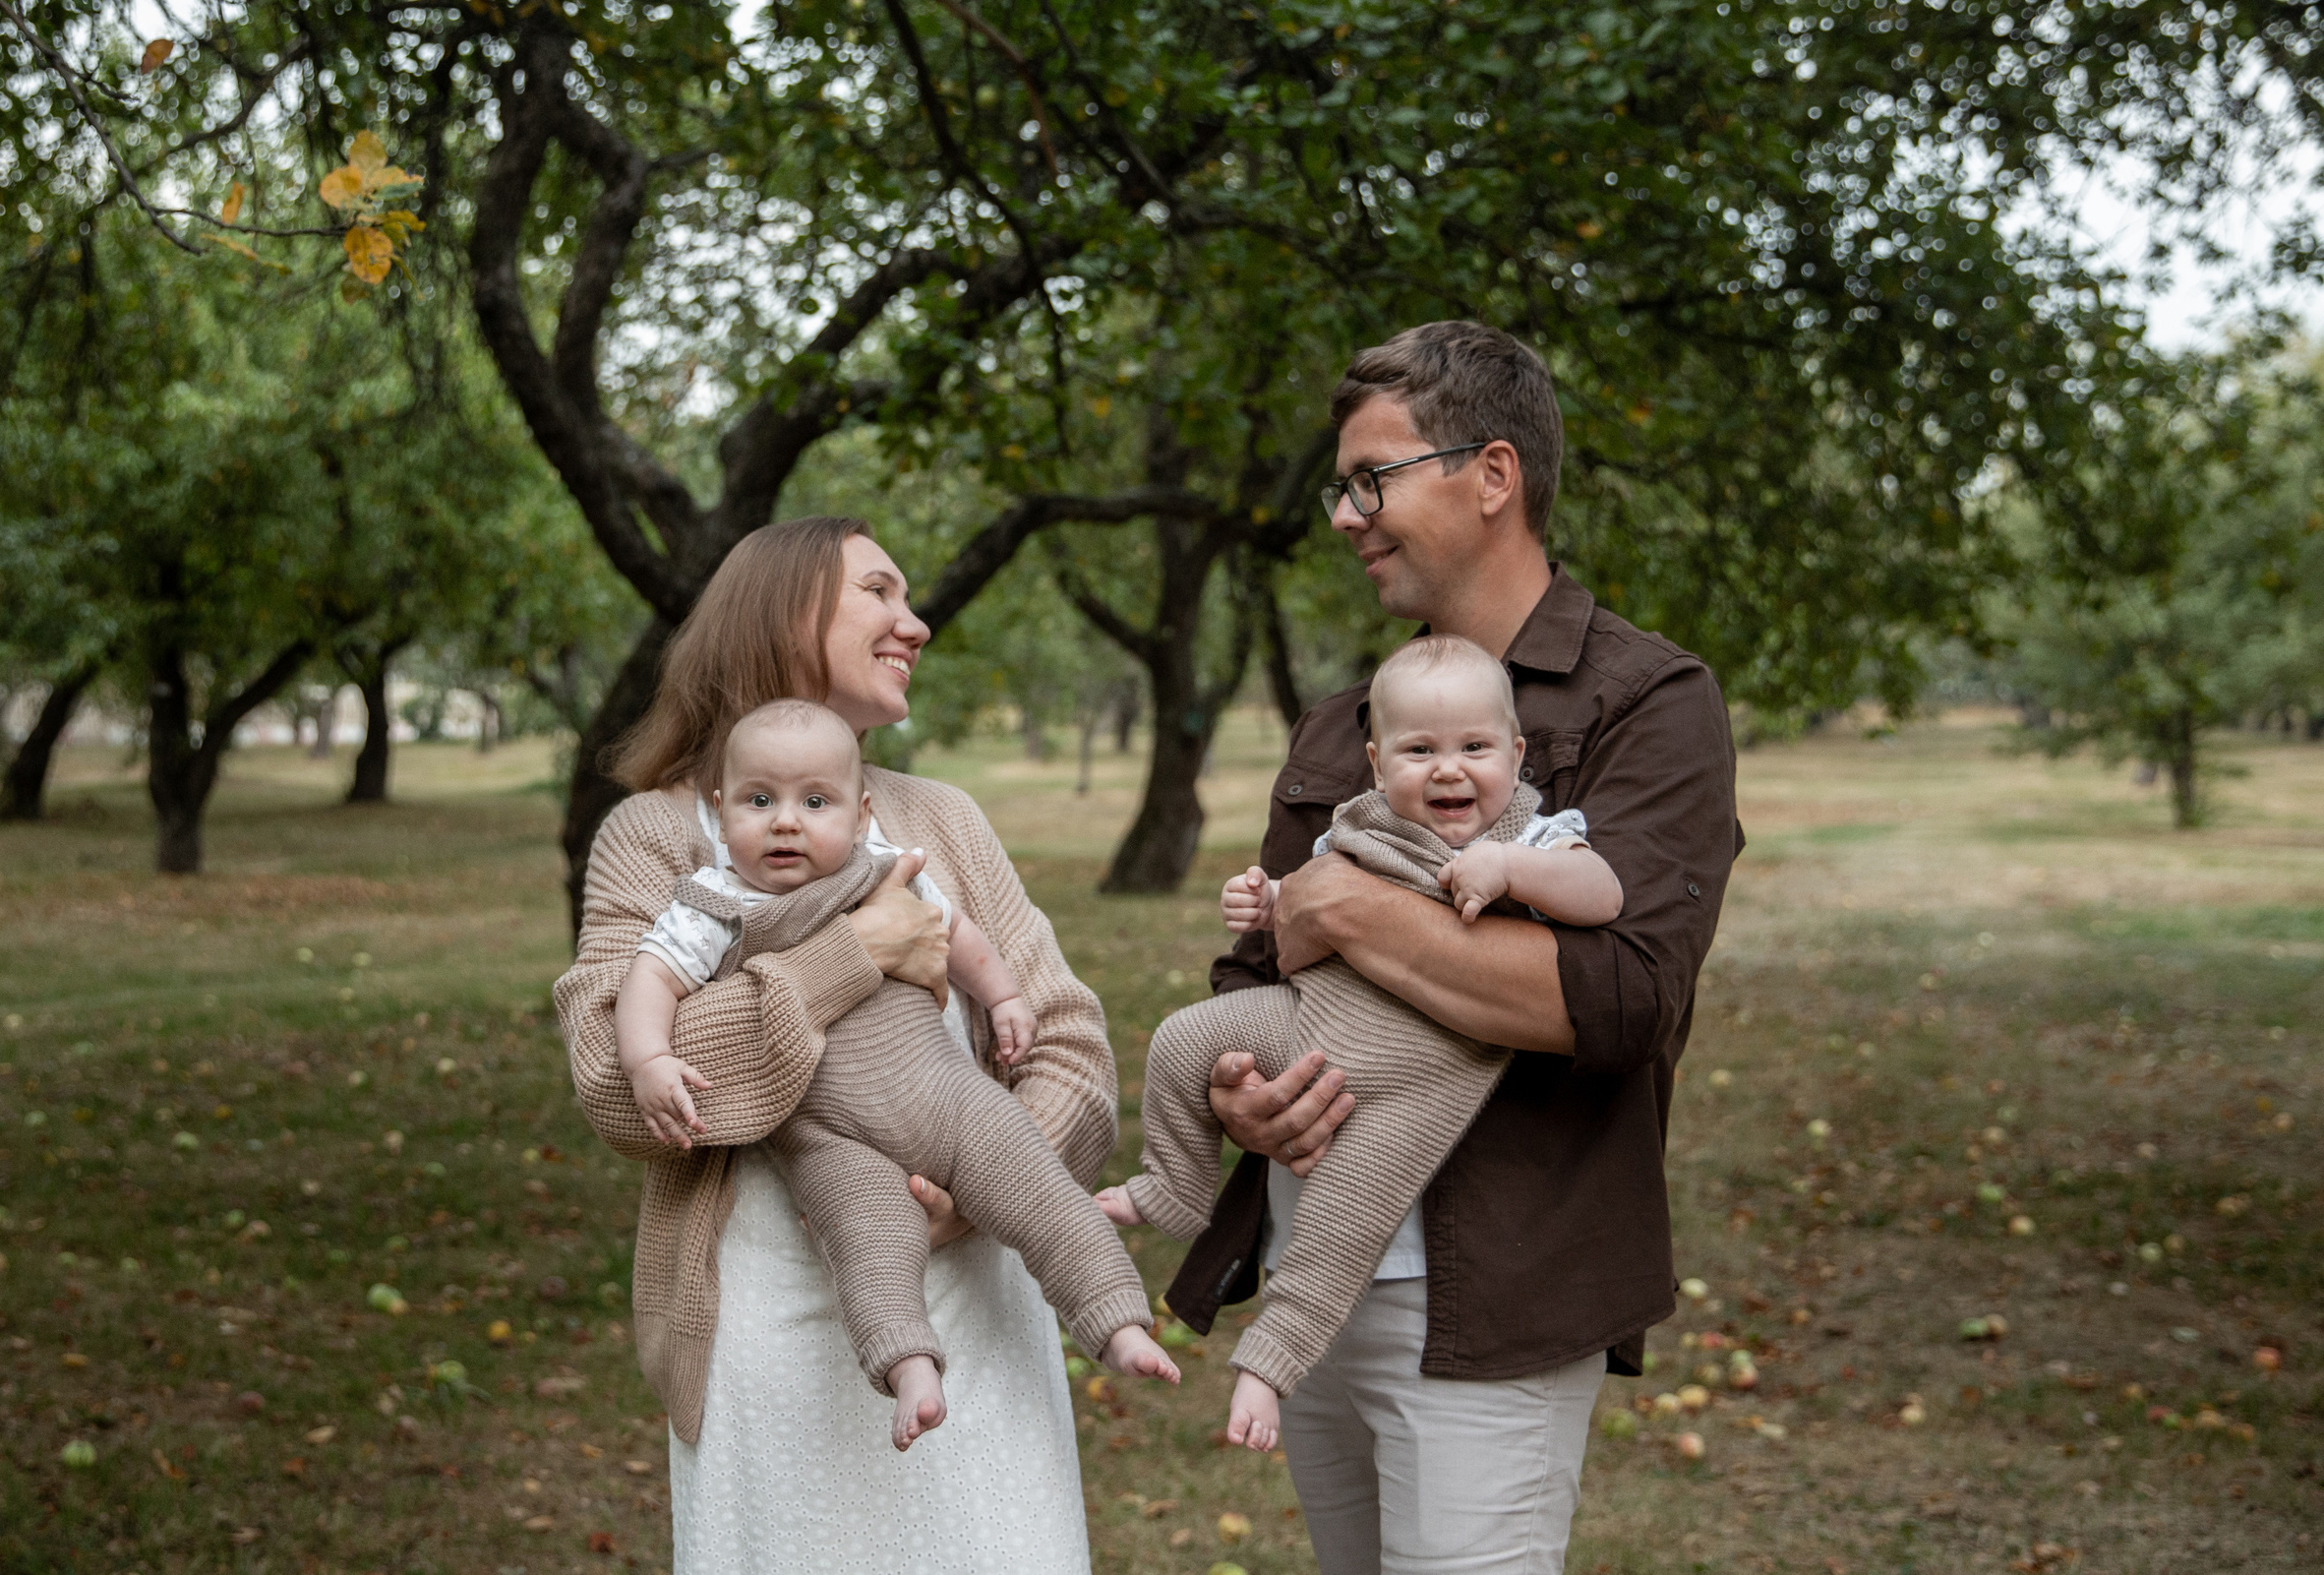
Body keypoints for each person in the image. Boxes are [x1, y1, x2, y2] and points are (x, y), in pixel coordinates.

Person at [1164, 323, 1744, 1575]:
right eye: (1340, 487)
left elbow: (1621, 996)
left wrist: (1349, 911)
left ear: (1491, 475)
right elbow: (1253, 979)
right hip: (1317, 1268)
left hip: (1494, 1294)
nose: (1344, 516)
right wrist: (1238, 1094)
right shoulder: (1347, 725)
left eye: (1370, 479)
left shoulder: (1646, 701)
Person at [553, 517, 1119, 1575]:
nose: (917, 622)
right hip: (767, 1341)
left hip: (979, 1327)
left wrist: (977, 1188)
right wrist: (853, 954)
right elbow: (617, 1090)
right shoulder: (657, 835)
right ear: (784, 614)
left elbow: (1072, 1051)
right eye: (879, 592)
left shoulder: (942, 820)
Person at [1097, 635, 1621, 1452]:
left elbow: (1603, 893)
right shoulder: (1366, 824)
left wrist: (1513, 870)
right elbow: (1311, 896)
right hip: (1312, 1019)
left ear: (1517, 756)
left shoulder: (1536, 834)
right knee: (1181, 1039)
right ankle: (1174, 1185)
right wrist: (1267, 898)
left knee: (1339, 1223)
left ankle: (1269, 1364)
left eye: (1475, 748)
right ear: (1378, 766)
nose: (1448, 770)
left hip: (1421, 1075)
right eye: (1420, 751)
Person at [616, 697, 1174, 1451]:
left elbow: (956, 933)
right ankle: (910, 1366)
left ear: (861, 813)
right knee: (866, 1244)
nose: (786, 822)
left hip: (946, 1094)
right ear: (719, 812)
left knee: (1040, 1189)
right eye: (759, 801)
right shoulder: (714, 906)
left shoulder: (885, 868)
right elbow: (650, 978)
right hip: (831, 1136)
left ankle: (1114, 1320)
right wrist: (649, 1058)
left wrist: (1004, 995)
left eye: (816, 802)